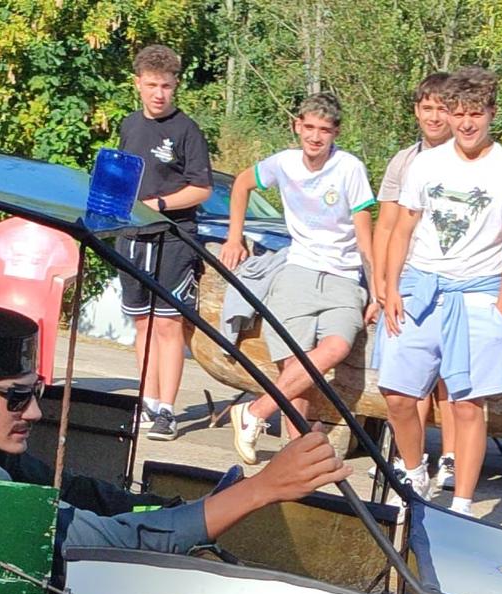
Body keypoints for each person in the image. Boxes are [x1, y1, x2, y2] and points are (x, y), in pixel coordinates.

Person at [0, 286, 352, 553]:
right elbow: (110, 544)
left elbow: (78, 492)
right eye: (17, 397)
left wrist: (171, 506)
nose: (34, 412)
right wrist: (261, 489)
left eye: (35, 393)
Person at [378, 67, 502, 514]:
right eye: (459, 114)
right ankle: (413, 475)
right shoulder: (427, 163)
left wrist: (500, 310)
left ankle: (463, 505)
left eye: (476, 114)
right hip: (421, 289)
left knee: (467, 404)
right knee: (398, 394)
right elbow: (403, 226)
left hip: (477, 295)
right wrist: (391, 288)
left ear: (491, 113)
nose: (467, 124)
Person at [221, 93, 377, 465]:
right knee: (294, 368)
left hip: (343, 275)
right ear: (297, 126)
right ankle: (298, 460)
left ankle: (255, 412)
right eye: (309, 127)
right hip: (298, 269)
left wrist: (377, 290)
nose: (316, 137)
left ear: (336, 132)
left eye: (324, 130)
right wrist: (233, 236)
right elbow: (242, 183)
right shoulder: (284, 163)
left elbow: (365, 236)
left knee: (336, 348)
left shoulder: (349, 168)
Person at [115, 44, 213, 443]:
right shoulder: (129, 125)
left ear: (176, 87)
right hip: (131, 237)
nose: (159, 93)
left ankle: (167, 411)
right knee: (142, 323)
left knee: (169, 325)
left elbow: (202, 189)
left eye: (167, 86)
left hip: (173, 238)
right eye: (152, 85)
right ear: (138, 84)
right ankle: (146, 401)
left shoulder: (187, 130)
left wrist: (158, 206)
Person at [372, 72, 455, 498]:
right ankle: (411, 465)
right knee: (405, 382)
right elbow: (386, 225)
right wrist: (381, 283)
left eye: (443, 107)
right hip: (409, 279)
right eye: (428, 108)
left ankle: (452, 462)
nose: (435, 116)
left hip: (457, 282)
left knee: (454, 383)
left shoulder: (470, 161)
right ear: (416, 111)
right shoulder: (404, 161)